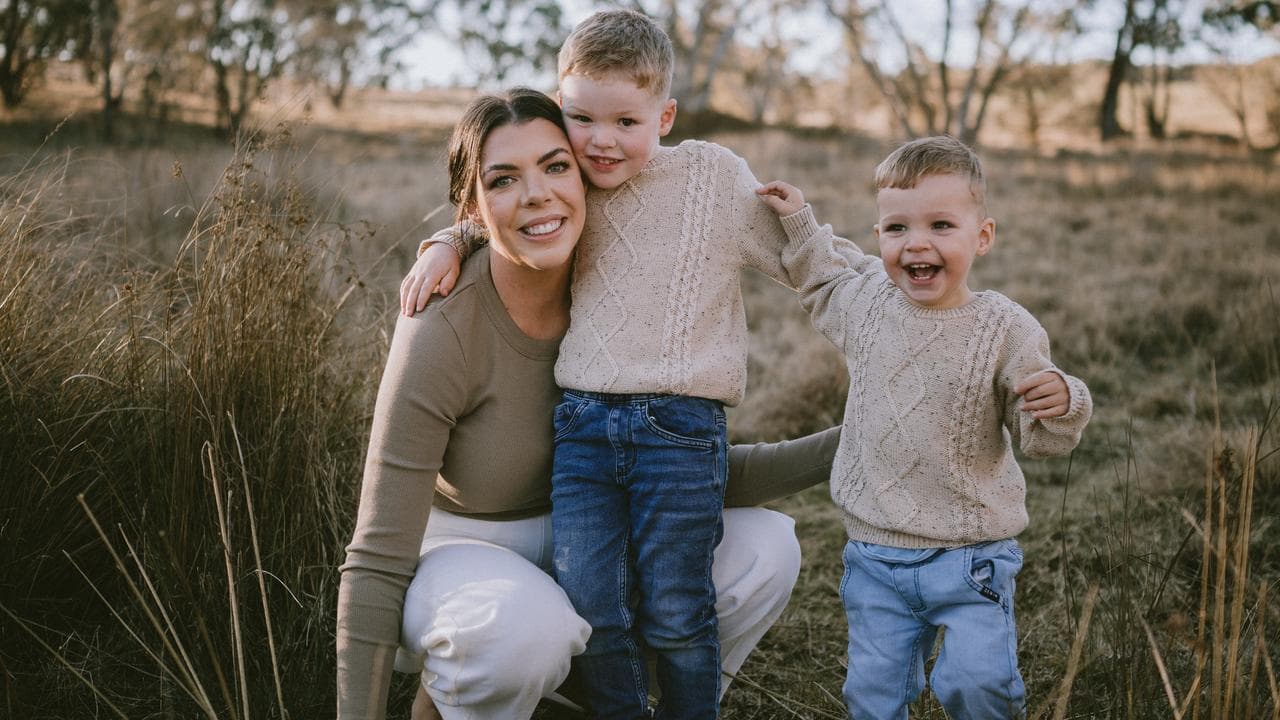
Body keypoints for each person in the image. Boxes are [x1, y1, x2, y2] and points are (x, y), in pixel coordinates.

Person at [400, 11, 867, 719]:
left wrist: (851, 260)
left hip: (680, 427)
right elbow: (501, 203)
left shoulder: (710, 179)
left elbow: (814, 267)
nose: (602, 140)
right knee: (597, 608)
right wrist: (448, 237)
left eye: (626, 121)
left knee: (679, 609)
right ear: (561, 112)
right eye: (582, 118)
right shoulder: (571, 177)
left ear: (665, 116)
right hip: (584, 430)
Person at [753, 135, 1093, 719]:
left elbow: (1039, 432)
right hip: (875, 556)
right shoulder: (868, 306)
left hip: (971, 555)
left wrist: (1062, 401)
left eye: (941, 225)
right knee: (873, 695)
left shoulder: (1005, 327)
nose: (917, 244)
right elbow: (823, 282)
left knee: (978, 686)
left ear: (981, 236)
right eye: (896, 229)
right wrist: (800, 224)